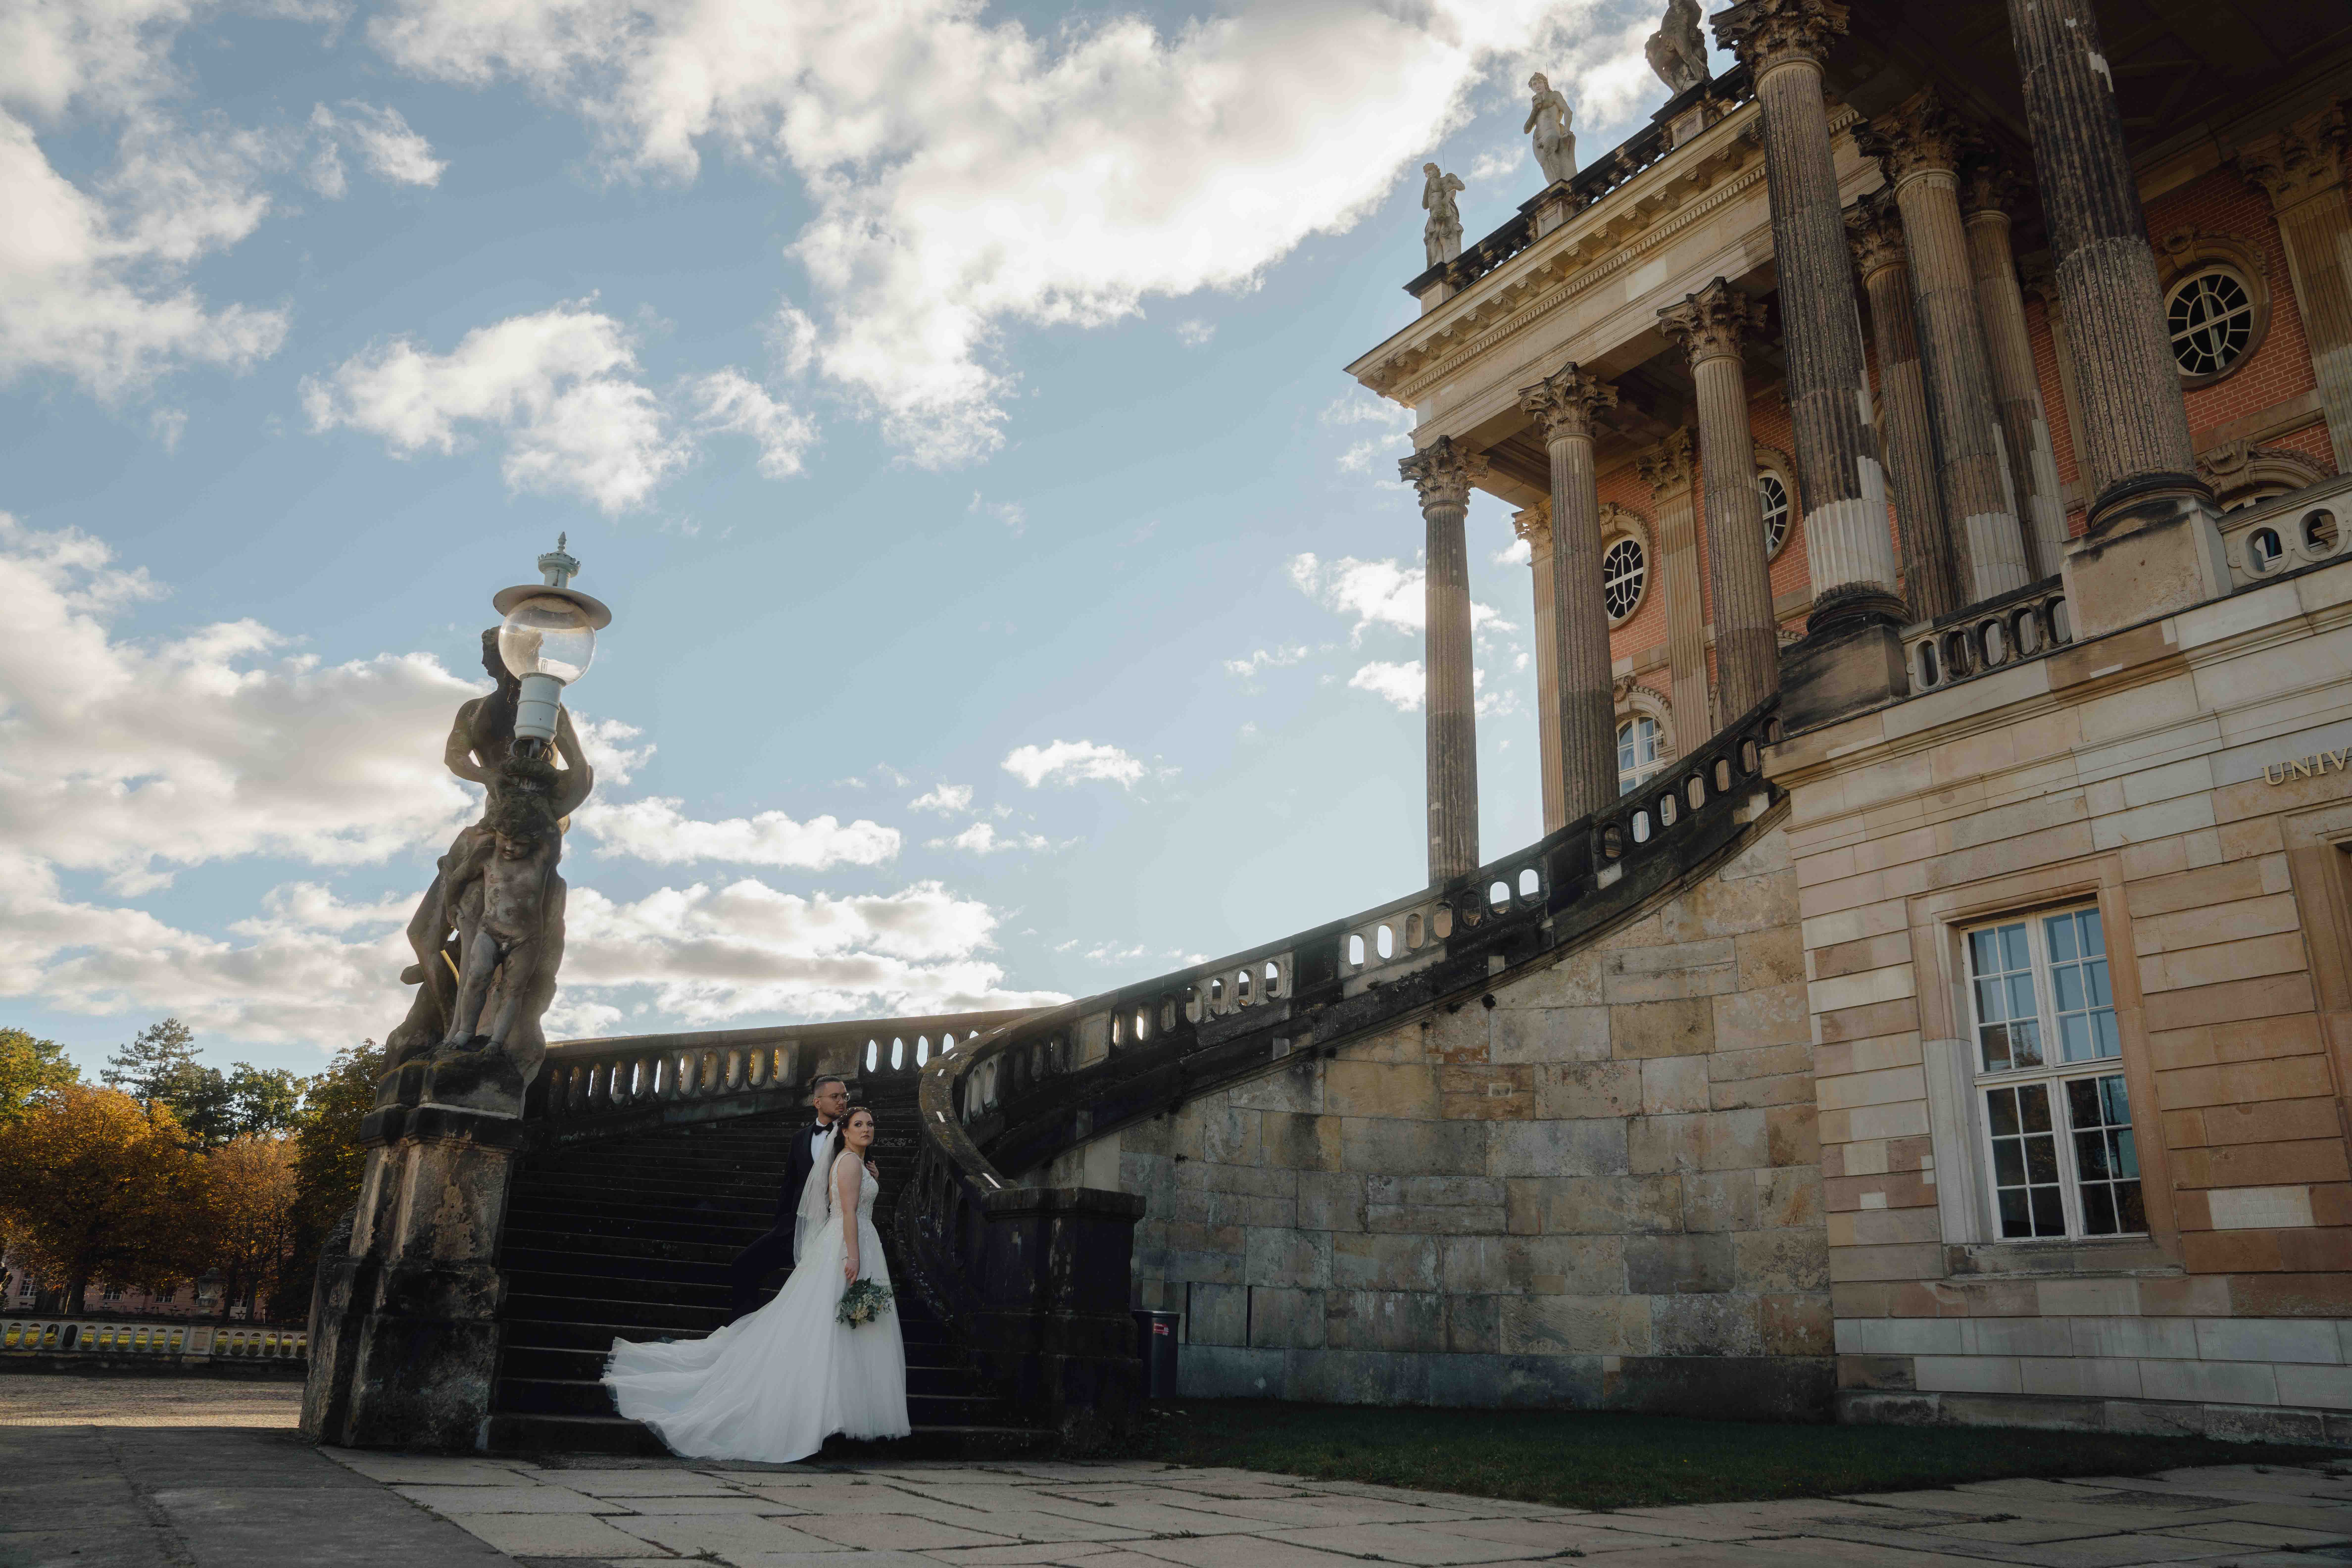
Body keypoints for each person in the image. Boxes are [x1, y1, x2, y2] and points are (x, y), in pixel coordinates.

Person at [605, 1107, 911, 1462]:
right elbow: (847, 1213)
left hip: (854, 1243)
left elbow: (857, 1206)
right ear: (843, 1131)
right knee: (836, 1328)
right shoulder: (849, 1164)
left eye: (871, 1124)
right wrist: (854, 1258)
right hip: (849, 1248)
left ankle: (838, 1415)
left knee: (849, 1329)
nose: (867, 1129)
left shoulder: (854, 1163)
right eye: (859, 1124)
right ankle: (826, 1416)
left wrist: (875, 1179)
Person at [725, 1075, 851, 1321]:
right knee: (743, 1267)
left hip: (832, 1232)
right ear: (817, 1102)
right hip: (795, 1228)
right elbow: (789, 1184)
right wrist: (782, 1223)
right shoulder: (799, 1139)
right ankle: (742, 1336)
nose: (842, 1102)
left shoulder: (853, 1135)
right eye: (835, 1096)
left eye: (845, 1096)